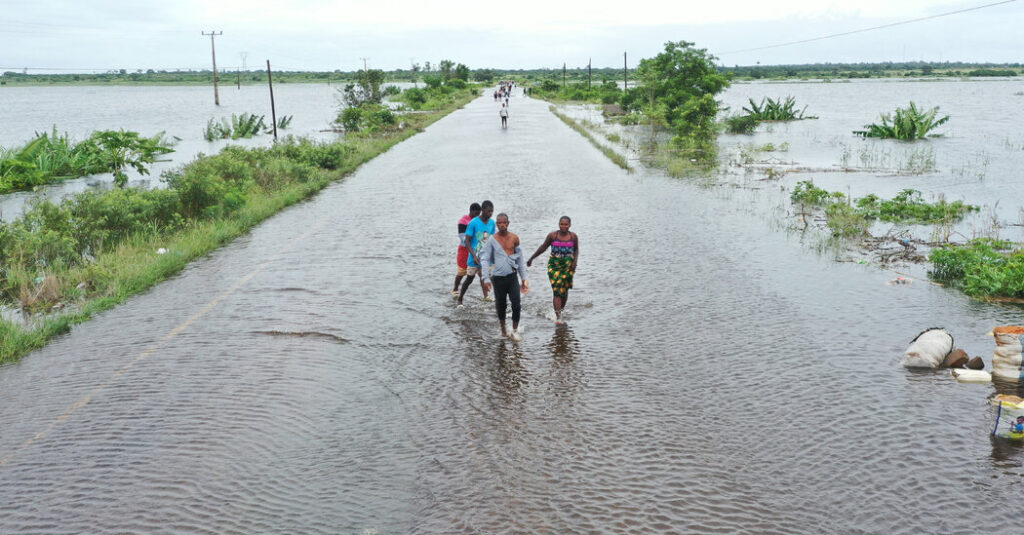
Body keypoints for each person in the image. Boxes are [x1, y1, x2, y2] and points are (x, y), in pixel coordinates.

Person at [480, 213, 530, 340]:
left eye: (504, 222)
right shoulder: (492, 240)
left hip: (512, 277)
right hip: (498, 278)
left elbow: (519, 259)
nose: (502, 225)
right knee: (501, 305)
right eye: (499, 223)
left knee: (516, 304)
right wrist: (485, 278)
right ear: (497, 224)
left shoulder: (514, 238)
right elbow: (485, 258)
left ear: (508, 223)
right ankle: (503, 329)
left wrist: (523, 278)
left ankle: (514, 330)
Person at [527, 216, 579, 324]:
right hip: (554, 266)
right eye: (561, 224)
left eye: (566, 224)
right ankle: (558, 317)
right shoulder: (553, 236)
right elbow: (543, 247)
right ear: (558, 224)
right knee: (557, 290)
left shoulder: (573, 236)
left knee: (564, 290)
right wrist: (532, 258)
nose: (563, 226)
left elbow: (576, 249)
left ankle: (560, 311)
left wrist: (575, 262)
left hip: (568, 266)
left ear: (570, 225)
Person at [458, 200, 496, 307]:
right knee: (469, 279)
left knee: (492, 278)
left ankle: (494, 299)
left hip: (487, 258)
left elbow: (492, 239)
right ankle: (460, 299)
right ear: (482, 210)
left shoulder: (492, 223)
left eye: (492, 211)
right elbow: (467, 241)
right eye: (488, 211)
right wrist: (474, 255)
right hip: (474, 257)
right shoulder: (473, 223)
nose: (490, 214)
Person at [453, 202, 482, 296]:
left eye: (478, 214)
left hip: (476, 249)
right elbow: (463, 238)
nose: (477, 216)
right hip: (465, 250)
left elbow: (480, 235)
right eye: (475, 214)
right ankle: (455, 289)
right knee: (462, 272)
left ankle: (486, 295)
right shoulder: (463, 222)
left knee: (481, 272)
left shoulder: (478, 221)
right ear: (471, 211)